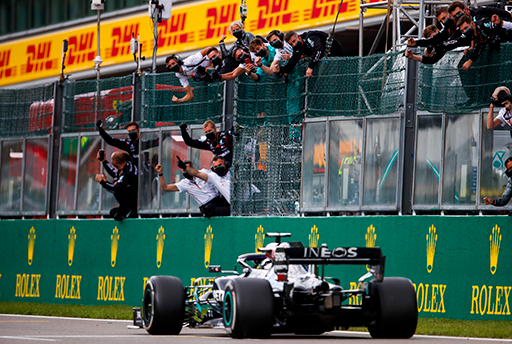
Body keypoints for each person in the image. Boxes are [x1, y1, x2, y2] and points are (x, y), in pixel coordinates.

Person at [154, 160, 229, 218]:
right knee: (230, 211)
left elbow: (217, 174)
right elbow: (165, 187)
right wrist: (160, 174)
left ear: (192, 168)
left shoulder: (203, 173)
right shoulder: (184, 183)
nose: (185, 171)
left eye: (186, 169)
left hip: (218, 200)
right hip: (209, 207)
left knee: (234, 205)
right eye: (183, 170)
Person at [95, 151, 138, 221]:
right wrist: (103, 161)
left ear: (114, 162)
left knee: (116, 216)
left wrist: (102, 182)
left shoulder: (128, 172)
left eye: (111, 160)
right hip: (126, 203)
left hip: (132, 204)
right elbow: (114, 172)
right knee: (112, 213)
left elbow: (116, 189)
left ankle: (129, 211)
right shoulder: (125, 166)